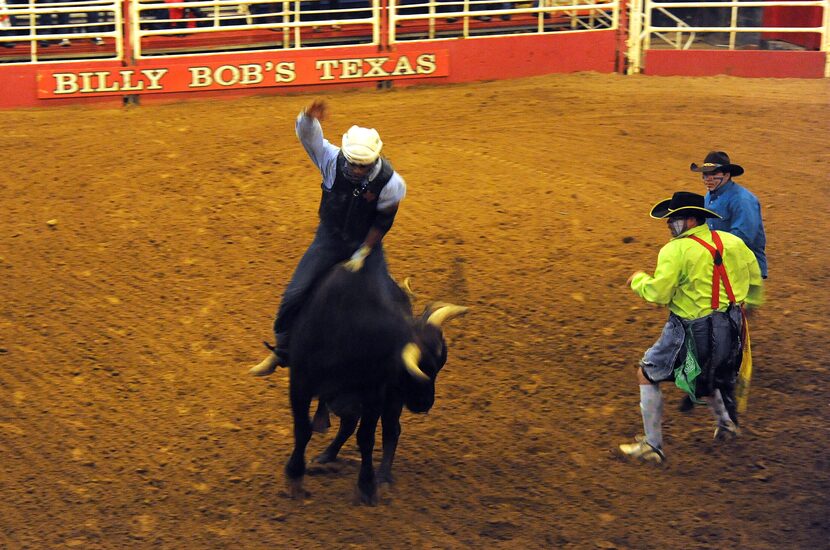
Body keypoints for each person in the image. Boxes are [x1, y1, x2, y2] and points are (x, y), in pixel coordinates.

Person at [249, 98, 407, 377]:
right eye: (353, 163)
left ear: (375, 160)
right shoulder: (331, 160)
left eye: (364, 165)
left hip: (364, 244)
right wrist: (309, 119)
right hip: (330, 238)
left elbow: (384, 220)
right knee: (295, 293)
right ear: (346, 156)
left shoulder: (392, 184)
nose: (357, 170)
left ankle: (401, 351)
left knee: (387, 299)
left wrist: (362, 253)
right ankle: (282, 350)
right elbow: (311, 139)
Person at [619, 191, 763, 464]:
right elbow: (754, 277)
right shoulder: (731, 242)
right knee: (707, 374)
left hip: (689, 328)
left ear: (691, 220)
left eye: (675, 219)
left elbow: (659, 294)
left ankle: (652, 445)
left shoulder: (674, 250)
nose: (669, 224)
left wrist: (639, 281)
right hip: (731, 325)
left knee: (646, 374)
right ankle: (726, 425)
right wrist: (749, 303)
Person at [691, 151, 767, 279]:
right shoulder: (710, 195)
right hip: (724, 267)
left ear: (727, 175)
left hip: (744, 271)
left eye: (714, 173)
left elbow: (742, 237)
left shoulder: (743, 200)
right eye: (705, 174)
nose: (708, 178)